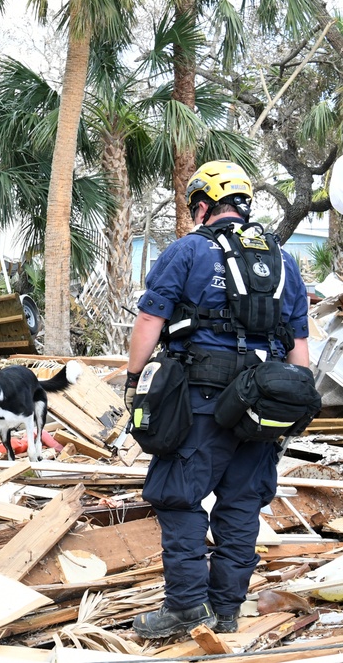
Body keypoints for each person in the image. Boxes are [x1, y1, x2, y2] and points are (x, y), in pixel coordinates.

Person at [124, 160, 311, 639]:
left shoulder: (188, 250)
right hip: (263, 405)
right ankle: (226, 611)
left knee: (179, 497)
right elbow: (299, 351)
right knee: (242, 506)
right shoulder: (284, 261)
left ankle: (187, 607)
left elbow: (150, 321)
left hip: (199, 401)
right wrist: (290, 413)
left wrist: (132, 379)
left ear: (203, 205)